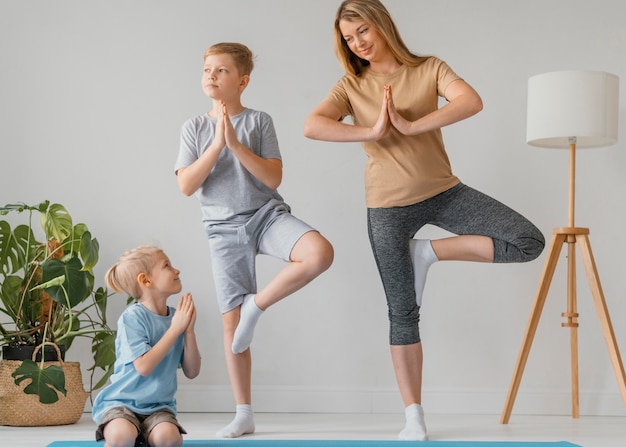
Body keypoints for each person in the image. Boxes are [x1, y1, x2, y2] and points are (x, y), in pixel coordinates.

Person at [303, 0, 545, 441]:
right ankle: (413, 416)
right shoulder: (350, 85)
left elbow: (471, 100)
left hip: (444, 193)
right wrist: (371, 131)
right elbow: (312, 125)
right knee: (403, 313)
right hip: (387, 207)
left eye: (363, 32)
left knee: (528, 241)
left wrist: (412, 126)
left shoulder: (428, 68)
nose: (358, 43)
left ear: (381, 25)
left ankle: (428, 252)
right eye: (349, 38)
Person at [175, 42, 334, 438]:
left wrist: (235, 144)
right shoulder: (193, 127)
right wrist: (216, 145)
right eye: (207, 69)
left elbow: (273, 178)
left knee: (319, 252)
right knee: (233, 327)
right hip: (222, 230)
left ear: (242, 81)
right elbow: (186, 185)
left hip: (266, 217)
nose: (211, 75)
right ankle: (243, 413)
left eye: (221, 70)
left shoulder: (259, 121)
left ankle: (256, 307)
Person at [92, 245, 201, 447]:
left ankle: (144, 436)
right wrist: (175, 330)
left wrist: (188, 331)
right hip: (121, 404)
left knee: (167, 439)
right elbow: (143, 367)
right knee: (120, 437)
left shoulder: (177, 318)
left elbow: (192, 371)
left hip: (159, 408)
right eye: (167, 266)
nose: (176, 270)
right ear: (145, 280)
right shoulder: (132, 318)